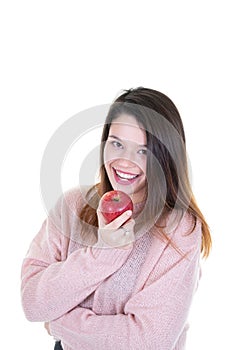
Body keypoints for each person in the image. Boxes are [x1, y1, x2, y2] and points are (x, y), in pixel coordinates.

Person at [21, 87, 211, 350]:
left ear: (165, 158)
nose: (124, 161)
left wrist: (58, 322)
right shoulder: (73, 205)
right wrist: (104, 252)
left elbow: (149, 341)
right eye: (117, 143)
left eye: (143, 151)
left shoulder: (180, 229)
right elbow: (32, 303)